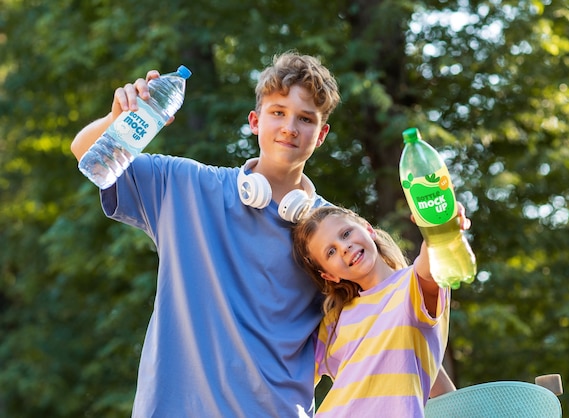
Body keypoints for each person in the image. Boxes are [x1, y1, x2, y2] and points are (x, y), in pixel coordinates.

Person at [70, 52, 341, 417]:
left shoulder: (333, 233)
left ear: (321, 134)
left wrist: (445, 404)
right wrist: (118, 118)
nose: (290, 127)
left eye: (305, 119)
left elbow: (391, 311)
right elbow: (86, 153)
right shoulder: (185, 185)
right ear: (255, 121)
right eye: (278, 112)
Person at [292, 205, 469, 417]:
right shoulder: (334, 322)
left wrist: (439, 232)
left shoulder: (411, 288)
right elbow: (286, 376)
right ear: (329, 276)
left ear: (368, 229)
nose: (344, 247)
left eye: (346, 233)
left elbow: (430, 266)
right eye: (330, 252)